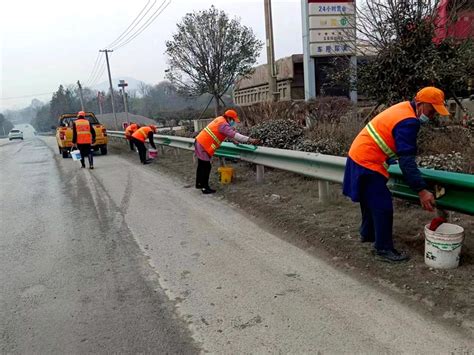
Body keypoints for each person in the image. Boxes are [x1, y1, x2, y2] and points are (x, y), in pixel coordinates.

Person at [343, 87, 450, 263]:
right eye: (432, 111)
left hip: (358, 155)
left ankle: (368, 234)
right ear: (421, 104)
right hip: (367, 160)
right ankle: (383, 249)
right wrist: (422, 190)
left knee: (369, 200)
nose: (432, 116)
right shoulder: (409, 121)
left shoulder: (404, 108)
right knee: (382, 204)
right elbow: (406, 161)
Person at [194, 109, 260, 194]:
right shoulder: (223, 124)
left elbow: (224, 133)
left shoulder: (220, 119)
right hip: (204, 145)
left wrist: (232, 140)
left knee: (201, 166)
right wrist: (251, 140)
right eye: (233, 120)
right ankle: (204, 187)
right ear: (229, 118)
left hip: (200, 142)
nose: (233, 122)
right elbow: (235, 135)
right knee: (206, 167)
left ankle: (199, 184)